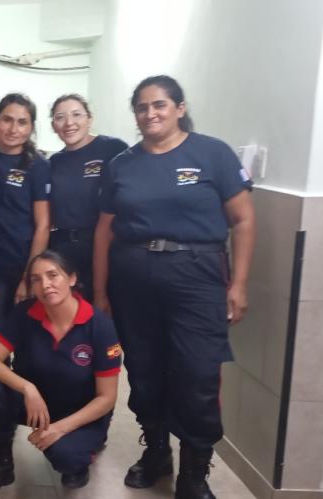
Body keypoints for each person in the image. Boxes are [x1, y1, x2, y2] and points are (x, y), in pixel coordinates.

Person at [92, 75, 255, 499]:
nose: (151, 114)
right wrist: (101, 290)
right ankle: (157, 453)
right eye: (142, 108)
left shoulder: (212, 153)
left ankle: (194, 472)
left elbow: (243, 220)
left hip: (197, 277)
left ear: (180, 108)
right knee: (145, 372)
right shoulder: (121, 165)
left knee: (198, 375)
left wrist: (238, 285)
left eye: (160, 105)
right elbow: (105, 232)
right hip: (133, 279)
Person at [0, 250, 121, 498]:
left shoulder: (99, 325)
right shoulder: (26, 312)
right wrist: (28, 389)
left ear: (71, 278)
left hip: (79, 411)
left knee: (67, 459)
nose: (45, 285)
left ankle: (83, 453)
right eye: (36, 279)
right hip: (36, 405)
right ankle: (0, 464)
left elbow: (107, 398)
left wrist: (59, 429)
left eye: (53, 275)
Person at [0, 93, 51, 351]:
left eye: (22, 122)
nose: (13, 128)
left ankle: (27, 392)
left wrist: (29, 277)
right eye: (7, 120)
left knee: (28, 343)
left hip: (24, 266)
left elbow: (42, 225)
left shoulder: (37, 165)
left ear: (31, 128)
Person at [47, 94, 128, 297]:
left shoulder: (113, 148)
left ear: (89, 119)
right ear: (53, 125)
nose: (69, 123)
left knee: (108, 310)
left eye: (76, 115)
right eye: (60, 117)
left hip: (106, 245)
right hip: (65, 249)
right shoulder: (54, 162)